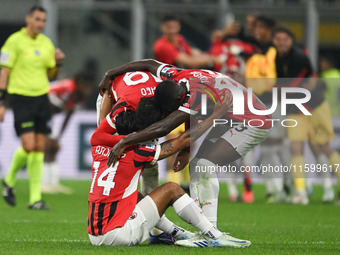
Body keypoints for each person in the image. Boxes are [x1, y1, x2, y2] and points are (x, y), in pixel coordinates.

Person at [100, 59, 271, 227]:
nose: (169, 113)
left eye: (170, 110)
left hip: (253, 120)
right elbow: (149, 63)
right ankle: (207, 229)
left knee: (204, 165)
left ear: (177, 101)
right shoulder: (176, 75)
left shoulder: (195, 96)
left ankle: (210, 230)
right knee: (198, 166)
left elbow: (164, 127)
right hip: (229, 116)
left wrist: (125, 141)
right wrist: (110, 73)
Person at [88, 89, 251, 248]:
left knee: (135, 196)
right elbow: (183, 139)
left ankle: (178, 233)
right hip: (119, 234)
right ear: (136, 133)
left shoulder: (97, 145)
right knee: (172, 189)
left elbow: (103, 121)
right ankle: (215, 236)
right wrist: (216, 115)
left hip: (95, 235)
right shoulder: (137, 153)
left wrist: (108, 92)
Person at [0, 5, 65, 209]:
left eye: (43, 20)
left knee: (39, 148)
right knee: (28, 146)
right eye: (37, 19)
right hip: (21, 99)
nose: (40, 24)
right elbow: (4, 72)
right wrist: (1, 102)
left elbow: (52, 74)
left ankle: (35, 199)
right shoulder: (15, 41)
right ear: (28, 19)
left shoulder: (46, 43)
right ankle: (9, 179)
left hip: (41, 99)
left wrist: (58, 63)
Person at [273, 26, 340, 204]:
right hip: (295, 110)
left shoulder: (299, 57)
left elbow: (291, 85)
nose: (281, 42)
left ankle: (331, 187)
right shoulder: (277, 59)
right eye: (278, 39)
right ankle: (301, 192)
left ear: (291, 41)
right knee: (295, 148)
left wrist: (274, 89)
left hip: (315, 107)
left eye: (285, 39)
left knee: (323, 147)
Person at [42, 72, 94, 194]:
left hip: (49, 115)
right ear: (81, 83)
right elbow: (49, 108)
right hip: (41, 110)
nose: (88, 90)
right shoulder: (69, 89)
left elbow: (69, 115)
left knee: (54, 148)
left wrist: (59, 135)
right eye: (87, 86)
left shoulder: (79, 96)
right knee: (48, 147)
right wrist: (49, 130)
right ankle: (44, 184)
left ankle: (53, 183)